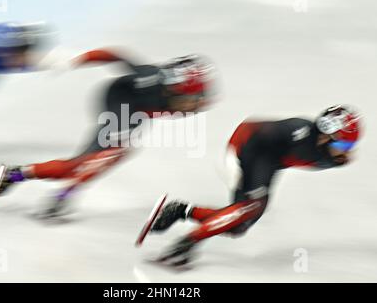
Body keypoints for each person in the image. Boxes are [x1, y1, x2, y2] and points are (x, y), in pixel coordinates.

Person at [0, 49, 215, 218]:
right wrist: (73, 60)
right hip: (120, 103)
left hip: (136, 112)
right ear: (172, 90)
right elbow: (113, 55)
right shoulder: (149, 78)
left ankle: (15, 174)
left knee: (78, 164)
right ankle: (64, 193)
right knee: (116, 152)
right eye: (192, 99)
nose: (195, 106)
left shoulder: (176, 94)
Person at [148, 105, 361, 266]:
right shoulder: (299, 134)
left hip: (268, 162)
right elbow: (251, 130)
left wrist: (339, 155)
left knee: (238, 226)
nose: (347, 150)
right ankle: (189, 242)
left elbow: (330, 157)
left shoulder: (329, 154)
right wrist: (234, 158)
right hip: (248, 150)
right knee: (250, 207)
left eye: (350, 145)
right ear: (324, 138)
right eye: (344, 144)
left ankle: (181, 210)